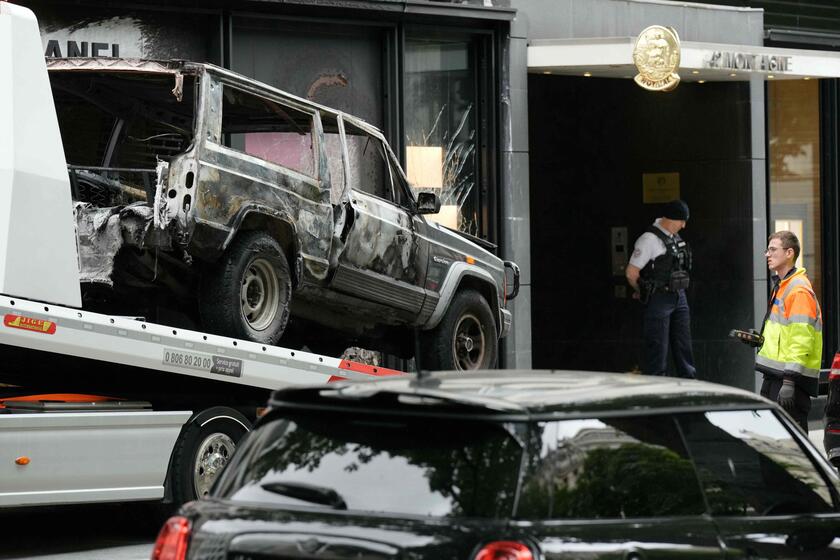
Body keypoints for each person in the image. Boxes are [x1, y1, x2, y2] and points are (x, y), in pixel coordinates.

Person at [756, 231, 822, 432]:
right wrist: (760, 340)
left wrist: (789, 382)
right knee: (771, 441)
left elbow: (801, 339)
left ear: (789, 253)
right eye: (767, 250)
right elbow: (783, 333)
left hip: (788, 381)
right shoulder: (783, 286)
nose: (767, 254)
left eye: (773, 249)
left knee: (791, 447)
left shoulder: (798, 290)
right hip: (775, 377)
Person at [625, 200, 696, 378]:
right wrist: (642, 292)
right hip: (659, 298)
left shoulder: (673, 236)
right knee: (658, 349)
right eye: (682, 221)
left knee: (683, 346)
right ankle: (657, 389)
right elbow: (631, 272)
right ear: (671, 219)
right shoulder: (648, 239)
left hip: (679, 296)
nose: (684, 225)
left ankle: (689, 386)